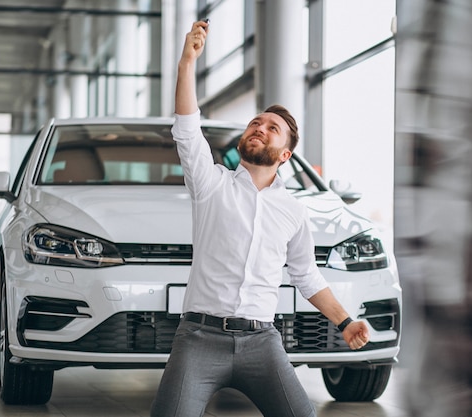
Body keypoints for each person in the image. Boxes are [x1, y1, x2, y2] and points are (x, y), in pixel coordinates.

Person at [150, 20, 370, 417]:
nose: (260, 129)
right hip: (199, 339)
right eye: (256, 123)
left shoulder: (292, 210)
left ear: (285, 155)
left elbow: (307, 276)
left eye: (273, 129)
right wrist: (186, 63)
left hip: (262, 344)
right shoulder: (210, 182)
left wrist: (345, 322)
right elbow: (186, 130)